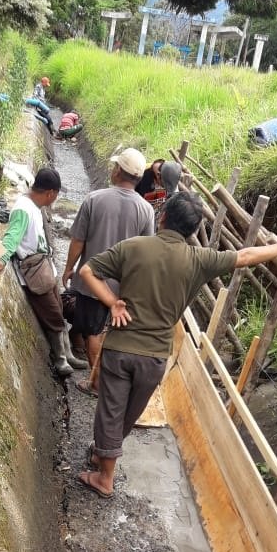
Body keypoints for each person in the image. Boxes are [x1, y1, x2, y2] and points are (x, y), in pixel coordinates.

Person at [76, 192, 277, 499]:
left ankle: (104, 476)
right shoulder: (199, 259)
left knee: (110, 409)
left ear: (161, 216)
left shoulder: (133, 247)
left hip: (122, 346)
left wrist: (112, 303)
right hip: (156, 356)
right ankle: (102, 454)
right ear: (192, 229)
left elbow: (87, 271)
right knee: (127, 414)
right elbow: (243, 257)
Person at [62, 147, 154, 396]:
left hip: (92, 283)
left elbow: (78, 240)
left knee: (94, 331)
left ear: (116, 171)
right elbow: (146, 253)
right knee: (111, 334)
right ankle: (109, 379)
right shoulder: (146, 210)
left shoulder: (95, 199)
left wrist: (69, 268)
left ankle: (96, 383)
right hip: (123, 287)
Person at [0, 168, 84, 378]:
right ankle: (60, 359)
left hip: (44, 266)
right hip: (33, 269)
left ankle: (67, 354)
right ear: (50, 193)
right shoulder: (23, 209)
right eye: (56, 194)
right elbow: (12, 238)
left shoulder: (34, 206)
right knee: (52, 314)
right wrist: (2, 259)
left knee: (58, 308)